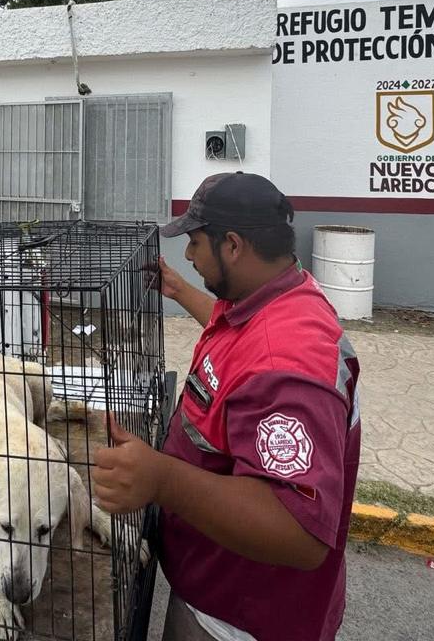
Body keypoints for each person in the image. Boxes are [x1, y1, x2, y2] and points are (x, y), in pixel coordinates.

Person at [92, 172, 361, 641]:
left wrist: (160, 478)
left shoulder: (289, 362)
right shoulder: (275, 297)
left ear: (233, 246)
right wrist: (178, 291)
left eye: (196, 243)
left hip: (239, 619)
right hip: (216, 588)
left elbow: (298, 530)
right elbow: (237, 342)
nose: (189, 255)